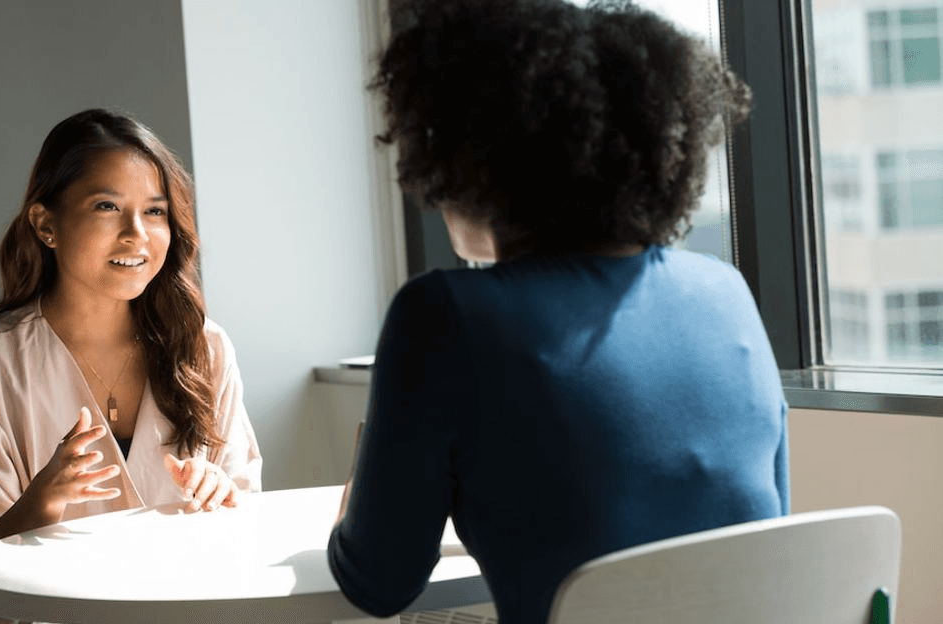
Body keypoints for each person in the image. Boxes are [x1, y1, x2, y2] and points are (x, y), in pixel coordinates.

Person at [327, 1, 788, 623]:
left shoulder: (444, 316)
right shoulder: (726, 293)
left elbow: (380, 584)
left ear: (469, 157)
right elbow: (767, 533)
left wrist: (359, 504)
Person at [0, 109, 262, 623]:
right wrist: (41, 504)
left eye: (156, 212)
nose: (136, 234)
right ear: (46, 224)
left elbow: (246, 521)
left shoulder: (204, 348)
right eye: (107, 206)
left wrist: (221, 494)